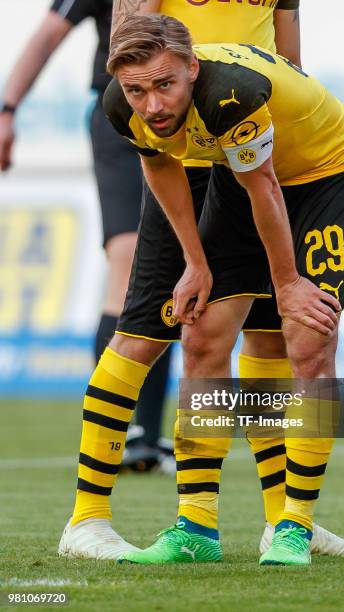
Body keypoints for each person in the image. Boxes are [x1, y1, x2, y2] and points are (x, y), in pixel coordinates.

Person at [57, 0, 344, 561]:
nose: (152, 106)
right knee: (203, 333)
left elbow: (268, 190)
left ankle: (294, 526)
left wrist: (289, 286)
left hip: (327, 169)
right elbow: (160, 167)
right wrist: (196, 263)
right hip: (239, 167)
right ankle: (197, 528)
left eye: (164, 86)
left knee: (308, 336)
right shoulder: (124, 100)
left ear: (193, 71)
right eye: (138, 91)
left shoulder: (231, 94)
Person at [0, 0, 175, 474]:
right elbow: (47, 35)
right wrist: (7, 109)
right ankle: (125, 432)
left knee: (182, 274)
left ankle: (151, 437)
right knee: (131, 261)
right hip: (122, 117)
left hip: (193, 120)